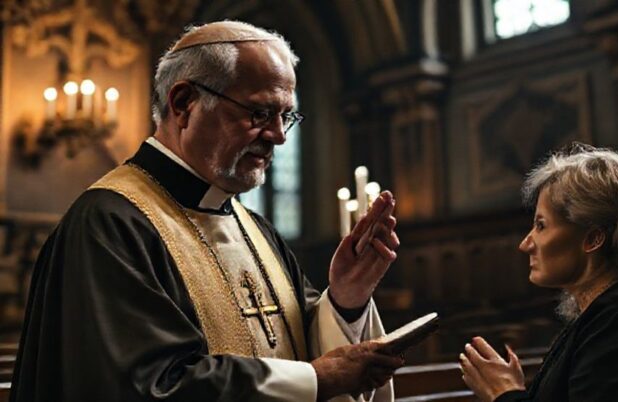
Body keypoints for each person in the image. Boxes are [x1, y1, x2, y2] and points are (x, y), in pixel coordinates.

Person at [11, 21, 404, 402]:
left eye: (286, 116)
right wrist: (316, 380)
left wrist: (345, 297)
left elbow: (298, 342)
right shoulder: (109, 224)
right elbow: (143, 384)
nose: (279, 136)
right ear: (184, 103)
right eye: (260, 113)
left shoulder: (254, 228)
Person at [459, 144, 618, 402]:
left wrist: (505, 394)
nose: (525, 244)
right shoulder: (609, 313)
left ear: (593, 239)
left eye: (541, 226)